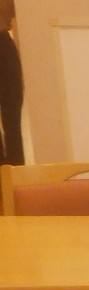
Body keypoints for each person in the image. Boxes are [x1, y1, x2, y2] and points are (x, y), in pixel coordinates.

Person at [0, 0, 24, 168]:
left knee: (13, 108)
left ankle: (16, 169)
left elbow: (18, 9)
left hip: (3, 41)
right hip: (4, 42)